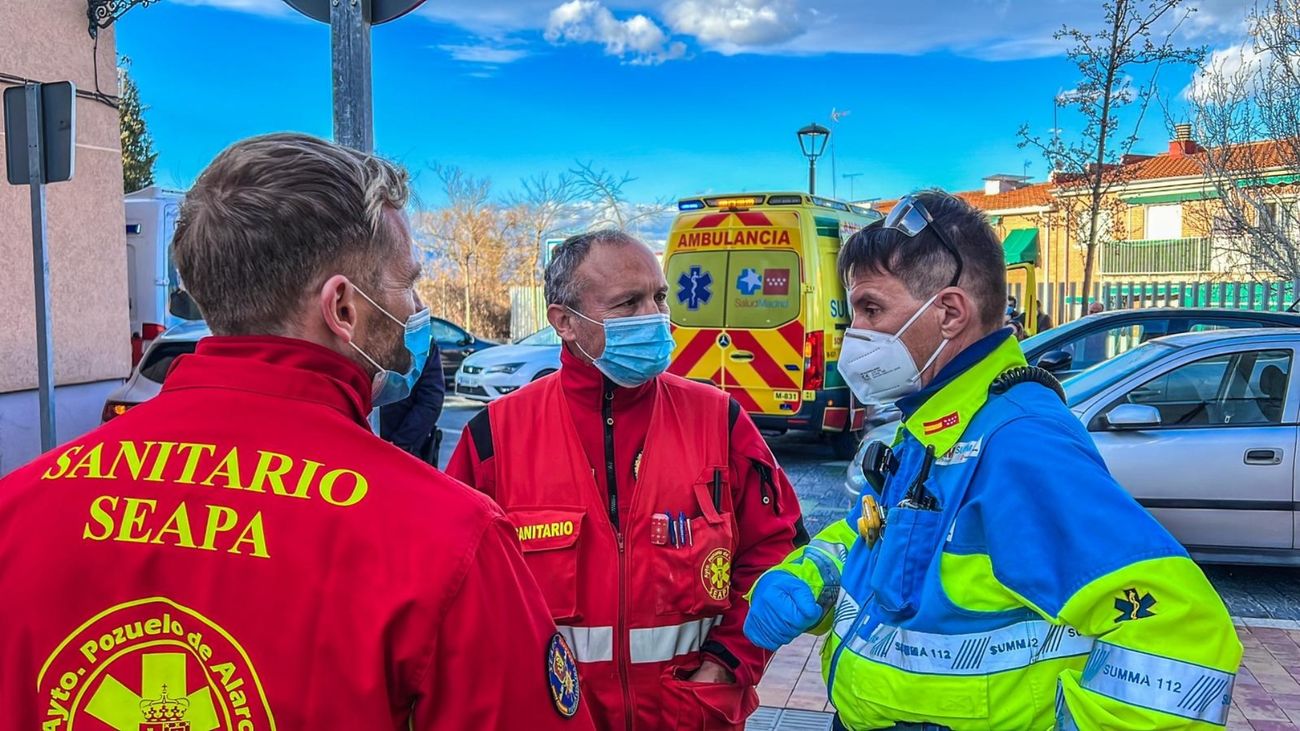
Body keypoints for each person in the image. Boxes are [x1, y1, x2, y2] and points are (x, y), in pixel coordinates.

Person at [0, 133, 592, 730]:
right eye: (407, 283)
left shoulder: (17, 509)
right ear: (343, 308)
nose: (415, 308)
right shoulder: (446, 542)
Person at [742, 191, 1241, 730]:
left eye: (871, 309)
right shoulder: (938, 424)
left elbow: (1180, 633)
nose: (855, 333)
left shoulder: (1017, 442)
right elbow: (881, 533)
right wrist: (811, 574)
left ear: (950, 313)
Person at [446, 230, 807, 730]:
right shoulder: (495, 436)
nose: (655, 317)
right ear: (564, 321)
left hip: (689, 716)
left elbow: (778, 551)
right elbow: (454, 591)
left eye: (660, 297)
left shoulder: (718, 420)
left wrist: (727, 662)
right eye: (628, 303)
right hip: (554, 718)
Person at [381, 346, 446, 466]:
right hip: (360, 441)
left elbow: (431, 400)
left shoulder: (422, 342)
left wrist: (401, 442)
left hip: (401, 450)